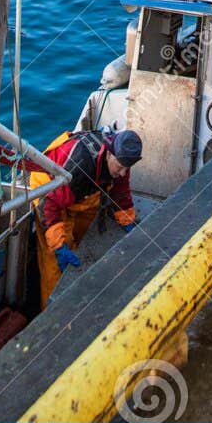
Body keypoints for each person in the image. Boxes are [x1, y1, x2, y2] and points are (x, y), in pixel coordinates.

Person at [31, 127, 142, 307]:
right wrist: (59, 245)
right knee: (55, 263)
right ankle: (55, 311)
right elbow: (49, 204)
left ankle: (83, 287)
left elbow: (121, 190)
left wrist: (127, 219)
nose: (123, 173)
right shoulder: (80, 164)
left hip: (79, 192)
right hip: (50, 189)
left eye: (126, 168)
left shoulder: (122, 157)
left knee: (86, 239)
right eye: (120, 167)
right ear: (109, 155)